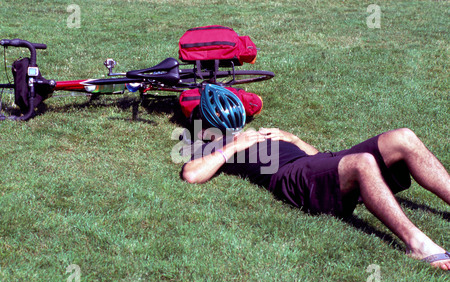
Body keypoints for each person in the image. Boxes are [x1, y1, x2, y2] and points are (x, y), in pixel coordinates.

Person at [180, 84, 450, 270]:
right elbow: (191, 175)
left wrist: (294, 138)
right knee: (363, 163)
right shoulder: (212, 146)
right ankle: (417, 244)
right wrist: (234, 147)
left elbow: (320, 157)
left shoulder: (253, 133)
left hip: (316, 163)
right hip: (292, 178)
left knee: (403, 137)